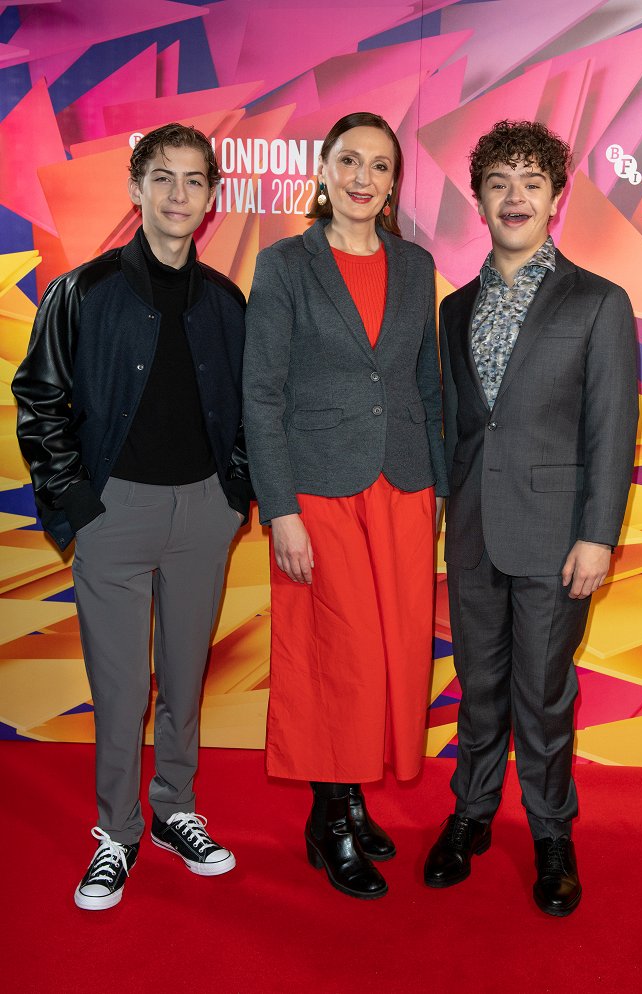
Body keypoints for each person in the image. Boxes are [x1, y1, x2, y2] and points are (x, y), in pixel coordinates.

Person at [12, 123, 252, 910]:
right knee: (122, 691)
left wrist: (234, 494)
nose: (179, 195)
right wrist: (79, 506)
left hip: (204, 514)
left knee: (184, 680)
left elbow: (251, 409)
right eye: (164, 178)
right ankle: (116, 831)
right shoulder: (81, 291)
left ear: (211, 198)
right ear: (135, 188)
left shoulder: (225, 300)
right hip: (114, 511)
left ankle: (175, 810)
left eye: (194, 181)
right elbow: (39, 398)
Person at [424, 120, 639, 916]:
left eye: (530, 182)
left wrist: (596, 535)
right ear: (478, 199)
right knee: (477, 686)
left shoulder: (598, 302)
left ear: (556, 196)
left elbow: (611, 428)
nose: (514, 197)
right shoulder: (453, 310)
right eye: (498, 183)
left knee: (542, 697)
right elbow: (458, 427)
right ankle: (471, 814)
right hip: (474, 532)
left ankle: (551, 834)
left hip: (556, 539)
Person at [243, 112, 447, 899]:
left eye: (380, 166)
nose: (364, 177)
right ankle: (329, 820)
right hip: (318, 490)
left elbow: (426, 385)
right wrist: (280, 508)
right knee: (338, 655)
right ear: (323, 171)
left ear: (395, 183)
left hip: (401, 485)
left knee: (389, 655)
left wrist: (434, 490)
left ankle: (350, 797)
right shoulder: (285, 264)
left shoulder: (416, 263)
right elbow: (259, 394)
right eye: (350, 161)